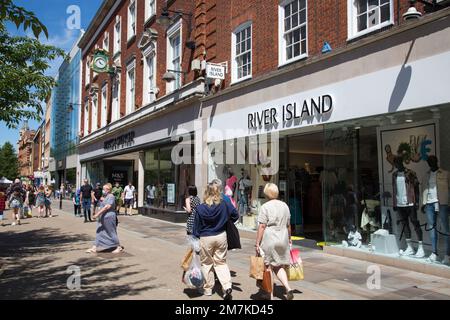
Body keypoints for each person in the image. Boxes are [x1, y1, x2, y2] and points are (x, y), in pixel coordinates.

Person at [193, 182, 239, 300]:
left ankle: (208, 289)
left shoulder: (200, 208)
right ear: (218, 192)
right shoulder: (224, 204)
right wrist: (225, 221)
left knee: (207, 263)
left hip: (206, 237)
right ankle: (227, 286)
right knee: (221, 262)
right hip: (221, 235)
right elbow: (235, 215)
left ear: (206, 192)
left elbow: (196, 228)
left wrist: (196, 238)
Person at [255, 183, 294, 300]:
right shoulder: (285, 206)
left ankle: (269, 295)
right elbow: (288, 225)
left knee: (268, 267)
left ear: (266, 193)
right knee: (278, 266)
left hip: (269, 238)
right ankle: (288, 288)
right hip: (282, 238)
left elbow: (262, 226)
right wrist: (290, 238)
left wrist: (257, 242)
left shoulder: (265, 207)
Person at [86, 183, 124, 254]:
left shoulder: (111, 196)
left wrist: (97, 214)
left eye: (104, 189)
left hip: (109, 217)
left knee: (111, 232)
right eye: (103, 189)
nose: (103, 190)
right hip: (103, 217)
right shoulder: (106, 196)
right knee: (99, 231)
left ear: (108, 189)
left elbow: (107, 207)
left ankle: (118, 246)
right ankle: (95, 247)